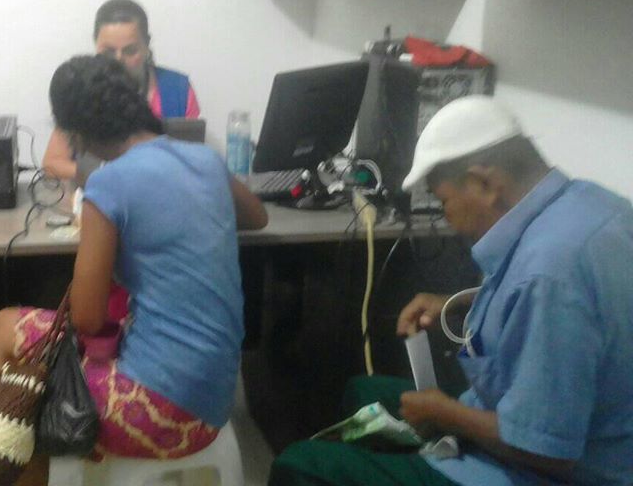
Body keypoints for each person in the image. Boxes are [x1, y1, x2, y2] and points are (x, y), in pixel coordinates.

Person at [0, 54, 267, 486]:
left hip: (163, 409)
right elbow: (256, 216)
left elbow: (89, 319)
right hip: (217, 399)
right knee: (6, 329)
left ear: (74, 132)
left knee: (21, 389)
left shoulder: (109, 184)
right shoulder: (204, 159)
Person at [269, 95, 633, 486]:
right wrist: (457, 303)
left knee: (301, 464)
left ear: (485, 184)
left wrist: (447, 415)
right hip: (583, 435)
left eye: (444, 202)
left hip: (547, 471)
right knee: (365, 392)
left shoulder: (548, 274)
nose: (448, 218)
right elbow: (565, 304)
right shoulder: (595, 206)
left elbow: (546, 451)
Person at [42, 0, 200, 181]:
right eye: (108, 51)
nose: (118, 60)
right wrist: (113, 176)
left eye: (130, 51)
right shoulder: (83, 89)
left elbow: (192, 163)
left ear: (146, 45)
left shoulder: (177, 90)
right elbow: (52, 164)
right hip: (102, 190)